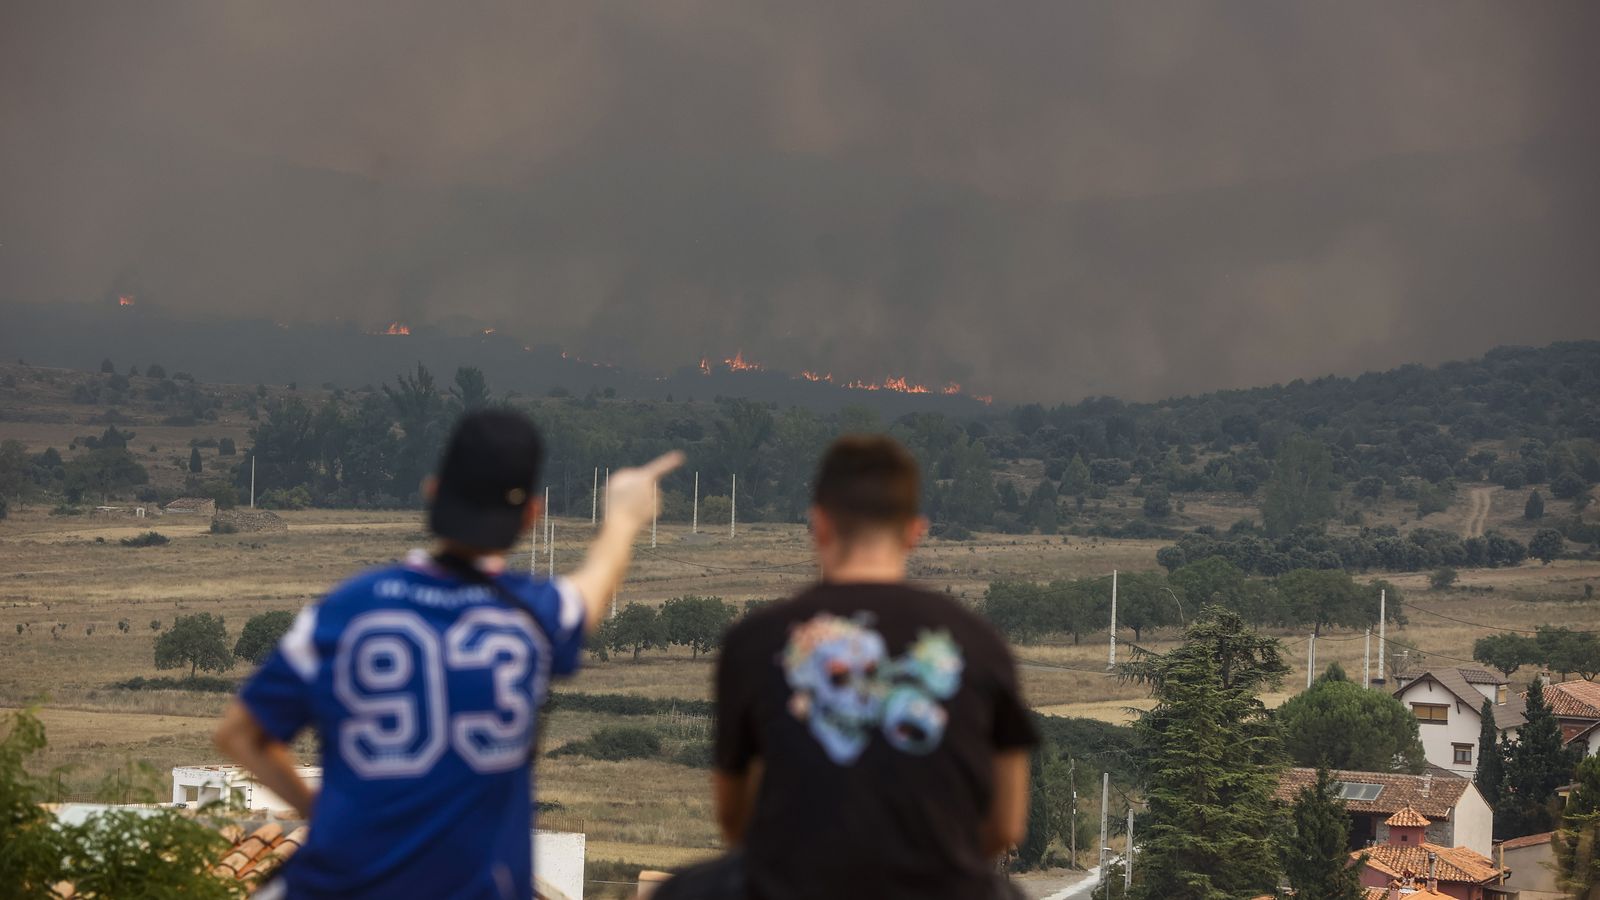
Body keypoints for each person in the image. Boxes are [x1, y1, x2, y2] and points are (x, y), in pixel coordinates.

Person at [213, 408, 681, 899]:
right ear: (531, 515)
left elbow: (240, 735)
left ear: (432, 492)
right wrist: (624, 517)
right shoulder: (532, 618)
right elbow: (593, 587)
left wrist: (318, 814)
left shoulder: (346, 610)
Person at [661, 435, 1037, 900]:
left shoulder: (755, 641)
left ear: (819, 525)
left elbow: (735, 820)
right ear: (915, 531)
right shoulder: (980, 643)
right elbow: (1006, 824)